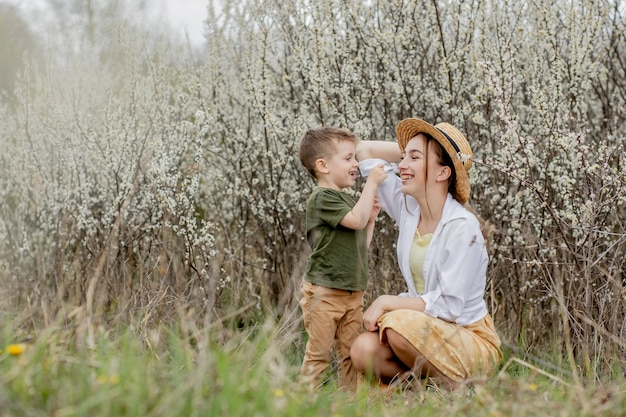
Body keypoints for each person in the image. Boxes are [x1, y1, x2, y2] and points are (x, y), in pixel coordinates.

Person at [350, 118, 503, 391]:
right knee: (363, 349)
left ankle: (461, 390)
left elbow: (449, 306)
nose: (400, 165)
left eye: (414, 158)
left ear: (443, 173)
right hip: (421, 332)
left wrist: (387, 301)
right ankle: (423, 391)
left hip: (469, 338)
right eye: (402, 156)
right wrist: (414, 151)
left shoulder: (462, 227)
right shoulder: (408, 207)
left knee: (396, 324)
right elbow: (364, 151)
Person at [298, 127, 387, 391]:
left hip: (352, 293)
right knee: (319, 354)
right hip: (325, 293)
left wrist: (370, 221)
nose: (355, 164)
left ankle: (349, 403)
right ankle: (303, 401)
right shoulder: (322, 198)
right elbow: (356, 220)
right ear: (323, 166)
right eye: (348, 159)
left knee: (350, 355)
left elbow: (360, 244)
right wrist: (371, 183)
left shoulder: (344, 200)